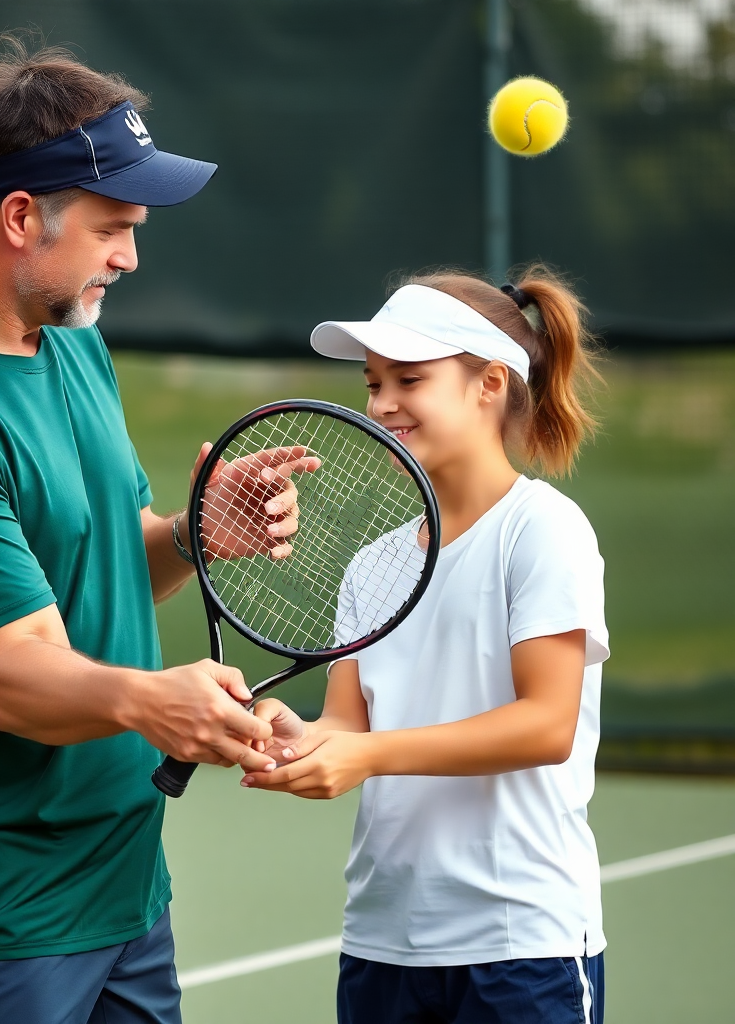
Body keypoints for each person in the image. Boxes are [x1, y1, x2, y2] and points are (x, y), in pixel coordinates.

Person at [0, 42, 312, 1024]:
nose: (129, 257)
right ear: (19, 217)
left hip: (127, 890)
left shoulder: (72, 341)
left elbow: (105, 558)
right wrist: (153, 701)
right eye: (112, 228)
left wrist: (192, 534)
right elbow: (10, 680)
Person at [242, 269, 609, 1024]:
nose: (382, 403)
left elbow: (548, 725)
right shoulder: (370, 565)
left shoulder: (543, 530)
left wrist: (368, 756)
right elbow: (347, 726)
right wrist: (295, 740)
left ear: (490, 385)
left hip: (520, 944)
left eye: (409, 379)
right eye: (374, 383)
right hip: (382, 941)